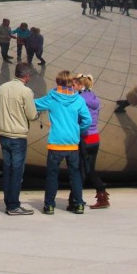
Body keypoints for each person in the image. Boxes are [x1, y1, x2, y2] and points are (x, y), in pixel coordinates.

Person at [34, 70, 91, 214]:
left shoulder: (52, 98)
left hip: (56, 143)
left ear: (58, 82)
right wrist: (78, 130)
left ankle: (49, 206)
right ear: (71, 83)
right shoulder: (78, 100)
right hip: (72, 143)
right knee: (75, 175)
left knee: (52, 175)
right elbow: (87, 120)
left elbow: (35, 104)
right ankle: (78, 204)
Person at [0, 62, 38, 215]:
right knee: (17, 172)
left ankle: (9, 202)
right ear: (26, 76)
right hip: (18, 137)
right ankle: (13, 205)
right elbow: (32, 115)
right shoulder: (26, 92)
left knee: (8, 170)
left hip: (4, 135)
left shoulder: (2, 88)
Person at [76, 74, 109, 209]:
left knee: (83, 170)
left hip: (84, 137)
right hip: (95, 137)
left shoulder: (80, 99)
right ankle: (80, 196)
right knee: (88, 169)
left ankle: (100, 194)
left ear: (80, 85)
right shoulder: (94, 98)